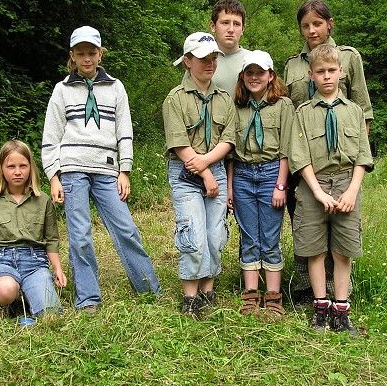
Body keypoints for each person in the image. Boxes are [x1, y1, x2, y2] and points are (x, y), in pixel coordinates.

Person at [42, 26, 161, 314]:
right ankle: (88, 298)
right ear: (72, 55)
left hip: (107, 169)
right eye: (80, 53)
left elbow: (125, 131)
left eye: (91, 53)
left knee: (126, 228)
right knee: (80, 234)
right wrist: (53, 175)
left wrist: (126, 170)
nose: (86, 58)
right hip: (72, 169)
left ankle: (148, 287)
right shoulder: (62, 90)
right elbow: (51, 136)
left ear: (100, 54)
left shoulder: (115, 87)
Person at [283, 0, 374, 306]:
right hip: (304, 159)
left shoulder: (348, 57)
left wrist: (354, 169)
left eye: (317, 23)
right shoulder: (293, 65)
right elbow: (289, 111)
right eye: (305, 25)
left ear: (329, 23)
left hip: (341, 161)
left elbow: (362, 111)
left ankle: (338, 291)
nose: (312, 30)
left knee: (341, 227)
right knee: (305, 223)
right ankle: (309, 290)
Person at [164, 32, 235, 317]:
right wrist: (205, 174)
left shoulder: (224, 99)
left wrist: (208, 166)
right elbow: (179, 143)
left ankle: (208, 289)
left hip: (213, 166)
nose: (210, 63)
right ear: (187, 61)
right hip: (185, 171)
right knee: (193, 233)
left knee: (215, 234)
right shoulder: (175, 99)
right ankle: (190, 297)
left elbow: (228, 140)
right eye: (204, 58)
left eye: (214, 57)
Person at [226, 50, 295, 317]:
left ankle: (274, 297)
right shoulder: (237, 106)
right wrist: (231, 187)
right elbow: (231, 151)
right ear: (243, 76)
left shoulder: (283, 106)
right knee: (248, 238)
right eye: (249, 73)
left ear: (270, 76)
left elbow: (287, 149)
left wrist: (281, 185)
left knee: (270, 237)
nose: (255, 78)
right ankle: (251, 296)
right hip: (242, 175)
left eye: (260, 73)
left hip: (270, 174)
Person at [0, 140, 67, 318]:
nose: (17, 172)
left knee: (51, 314)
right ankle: (10, 301)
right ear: (2, 169)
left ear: (31, 167)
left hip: (35, 262)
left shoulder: (43, 200)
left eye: (23, 166)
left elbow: (51, 240)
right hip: (2, 260)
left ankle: (31, 294)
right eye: (11, 166)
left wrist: (57, 269)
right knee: (6, 290)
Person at [183, 0, 251, 97]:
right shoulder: (199, 61)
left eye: (236, 24)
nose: (231, 29)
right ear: (213, 26)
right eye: (225, 23)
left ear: (243, 29)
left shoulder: (254, 61)